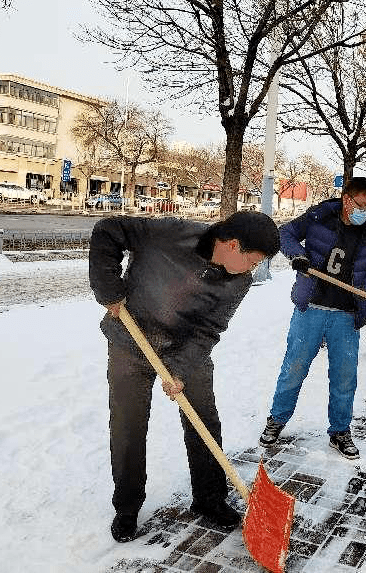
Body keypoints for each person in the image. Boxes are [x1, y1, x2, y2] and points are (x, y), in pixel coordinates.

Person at [89, 211, 280, 543]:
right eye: (252, 261)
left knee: (204, 421)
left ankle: (209, 499)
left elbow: (209, 329)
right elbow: (108, 230)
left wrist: (179, 369)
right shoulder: (172, 233)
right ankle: (127, 507)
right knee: (127, 426)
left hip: (186, 350)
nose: (253, 269)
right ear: (233, 245)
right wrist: (109, 286)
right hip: (129, 343)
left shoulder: (239, 280)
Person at [259, 177, 366, 460]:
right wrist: (297, 256)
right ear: (347, 199)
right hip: (311, 307)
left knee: (345, 378)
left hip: (346, 315)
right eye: (361, 206)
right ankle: (277, 419)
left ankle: (340, 431)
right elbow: (285, 234)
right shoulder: (319, 216)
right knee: (293, 369)